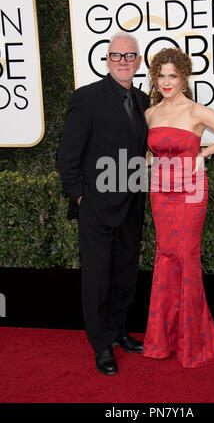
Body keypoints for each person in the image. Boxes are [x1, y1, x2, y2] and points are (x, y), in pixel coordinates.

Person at [143, 47, 214, 368]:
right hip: (160, 191)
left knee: (185, 257)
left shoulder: (196, 111)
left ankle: (194, 343)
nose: (166, 82)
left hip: (189, 192)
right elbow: (148, 153)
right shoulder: (151, 113)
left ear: (184, 77)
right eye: (161, 75)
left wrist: (202, 155)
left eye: (173, 75)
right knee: (165, 256)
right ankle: (162, 340)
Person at [57, 32, 150, 375]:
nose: (123, 62)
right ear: (106, 60)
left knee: (125, 273)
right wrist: (80, 196)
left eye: (129, 57)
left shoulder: (143, 101)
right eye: (116, 56)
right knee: (97, 278)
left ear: (138, 62)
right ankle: (101, 346)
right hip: (96, 206)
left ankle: (120, 331)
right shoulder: (88, 98)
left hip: (132, 203)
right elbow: (68, 155)